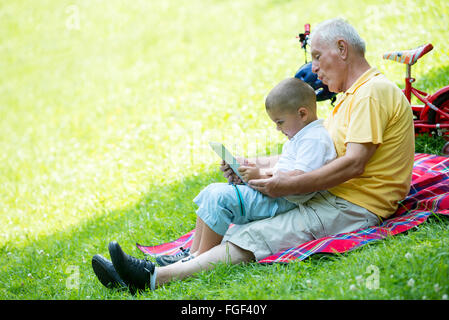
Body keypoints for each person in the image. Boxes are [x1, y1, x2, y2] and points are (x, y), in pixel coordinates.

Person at [91, 17, 415, 294]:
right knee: (237, 222)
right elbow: (317, 154)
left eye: (317, 56)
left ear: (342, 49)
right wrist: (253, 166)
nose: (314, 67)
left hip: (355, 206)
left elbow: (354, 163)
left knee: (255, 235)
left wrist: (286, 185)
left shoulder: (372, 93)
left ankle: (150, 279)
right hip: (330, 196)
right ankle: (155, 266)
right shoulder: (350, 97)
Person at [154, 77, 336, 266]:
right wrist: (248, 172)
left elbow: (301, 178)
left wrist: (261, 176)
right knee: (210, 192)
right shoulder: (302, 135)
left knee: (219, 197)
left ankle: (199, 259)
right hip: (278, 193)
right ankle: (194, 252)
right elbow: (287, 167)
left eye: (280, 122)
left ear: (302, 114)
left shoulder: (314, 139)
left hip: (284, 200)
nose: (277, 128)